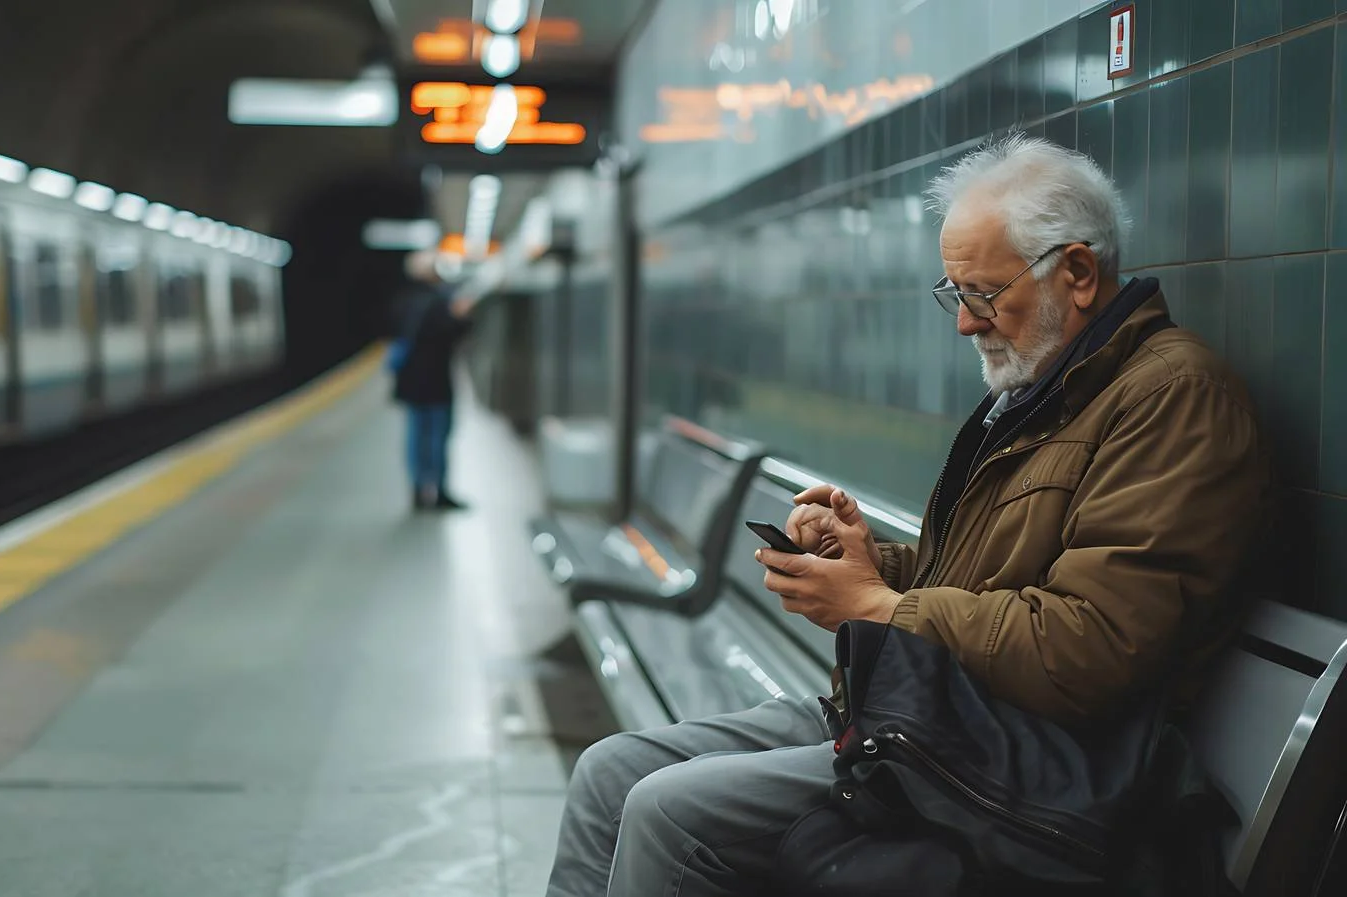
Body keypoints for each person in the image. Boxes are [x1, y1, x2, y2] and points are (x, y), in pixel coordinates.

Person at [544, 133, 1269, 897]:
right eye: (956, 293)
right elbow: (986, 585)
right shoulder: (1047, 392)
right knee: (609, 772)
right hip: (932, 719)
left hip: (1021, 767)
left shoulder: (1173, 398)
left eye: (983, 294)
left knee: (668, 810)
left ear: (1078, 273)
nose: (966, 323)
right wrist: (868, 561)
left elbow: (1089, 648)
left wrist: (878, 607)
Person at [391, 249, 475, 511]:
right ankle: (438, 491)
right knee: (438, 436)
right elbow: (452, 333)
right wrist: (462, 317)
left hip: (410, 381)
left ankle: (418, 490)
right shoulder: (440, 301)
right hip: (436, 380)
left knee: (415, 437)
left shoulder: (402, 300)